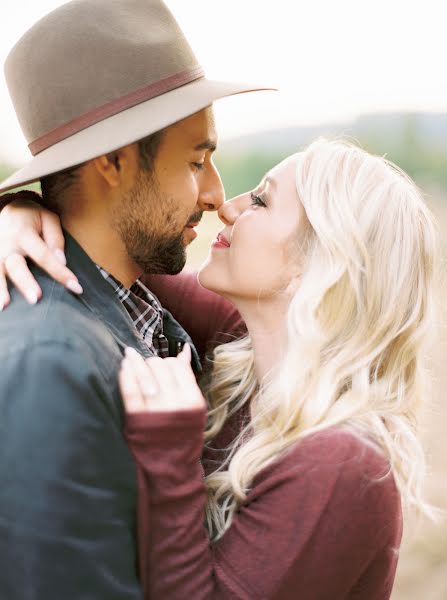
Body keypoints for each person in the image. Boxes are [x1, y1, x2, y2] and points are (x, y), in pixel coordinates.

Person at [0, 139, 438, 599]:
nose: (228, 208)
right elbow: (109, 248)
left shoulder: (341, 465)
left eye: (262, 201)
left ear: (323, 262)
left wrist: (170, 459)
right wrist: (21, 212)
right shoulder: (239, 336)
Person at [0, 0, 268, 597]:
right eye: (197, 160)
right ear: (113, 163)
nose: (216, 195)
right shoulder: (50, 364)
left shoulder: (137, 307)